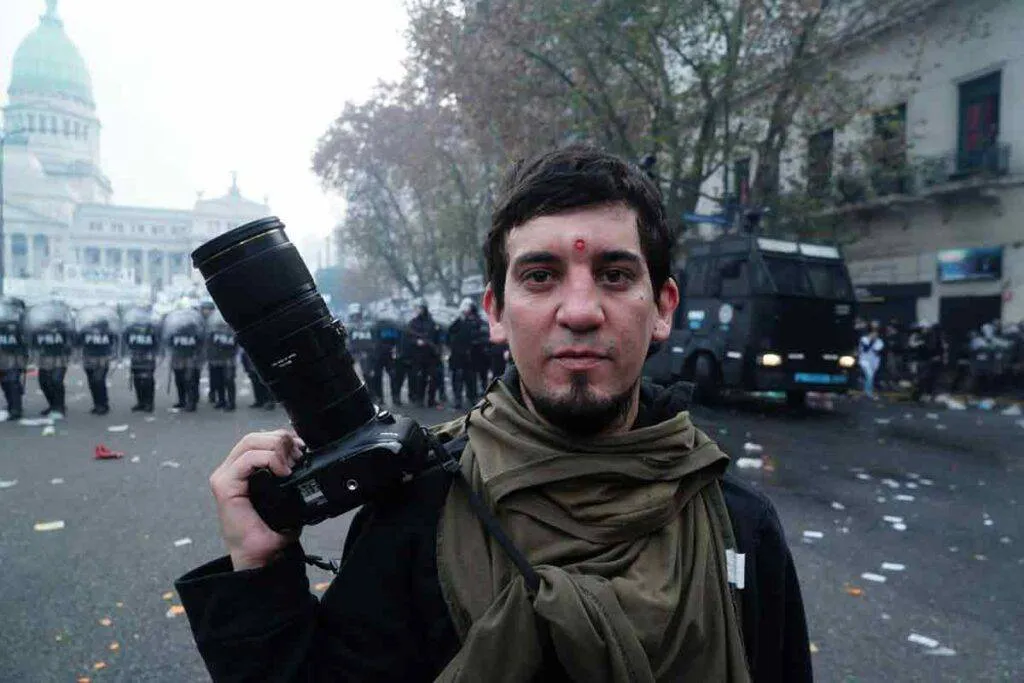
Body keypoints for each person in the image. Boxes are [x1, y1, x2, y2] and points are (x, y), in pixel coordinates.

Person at [176, 145, 812, 682]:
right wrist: (260, 578)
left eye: (615, 275)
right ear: (496, 312)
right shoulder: (418, 511)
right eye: (541, 276)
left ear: (664, 308)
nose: (581, 310)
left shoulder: (739, 528)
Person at [77, 307, 118, 416]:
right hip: (89, 359)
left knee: (98, 381)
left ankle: (103, 404)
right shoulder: (86, 331)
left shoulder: (109, 332)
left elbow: (115, 342)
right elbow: (78, 342)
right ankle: (97, 404)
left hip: (101, 359)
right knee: (92, 382)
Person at [448, 298, 483, 409]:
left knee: (471, 378)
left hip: (471, 355)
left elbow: (478, 334)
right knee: (457, 378)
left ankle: (472, 398)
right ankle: (458, 399)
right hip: (458, 355)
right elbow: (451, 331)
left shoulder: (476, 320)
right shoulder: (459, 320)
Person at [406, 302, 441, 407]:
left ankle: (431, 400)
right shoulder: (413, 323)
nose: (419, 310)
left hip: (431, 355)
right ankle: (420, 399)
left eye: (421, 308)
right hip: (419, 355)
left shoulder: (431, 322)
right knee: (420, 378)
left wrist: (437, 348)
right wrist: (416, 342)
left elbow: (436, 337)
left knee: (434, 378)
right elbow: (408, 338)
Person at [0, 299, 27, 421]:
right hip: (3, 355)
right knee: (5, 383)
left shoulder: (21, 324)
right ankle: (12, 405)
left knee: (11, 382)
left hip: (14, 356)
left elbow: (25, 343)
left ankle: (16, 409)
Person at [206, 311, 238, 411]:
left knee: (229, 380)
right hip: (217, 358)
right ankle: (221, 400)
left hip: (229, 358)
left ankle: (231, 402)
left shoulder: (233, 331)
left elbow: (235, 345)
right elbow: (209, 344)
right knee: (218, 380)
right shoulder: (213, 331)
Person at [858, 321, 884, 400]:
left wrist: (874, 342)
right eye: (873, 333)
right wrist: (872, 341)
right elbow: (865, 349)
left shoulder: (879, 341)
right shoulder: (863, 339)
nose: (874, 335)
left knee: (870, 377)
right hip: (864, 360)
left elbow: (877, 351)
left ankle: (867, 391)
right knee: (870, 375)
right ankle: (869, 393)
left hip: (874, 361)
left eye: (876, 334)